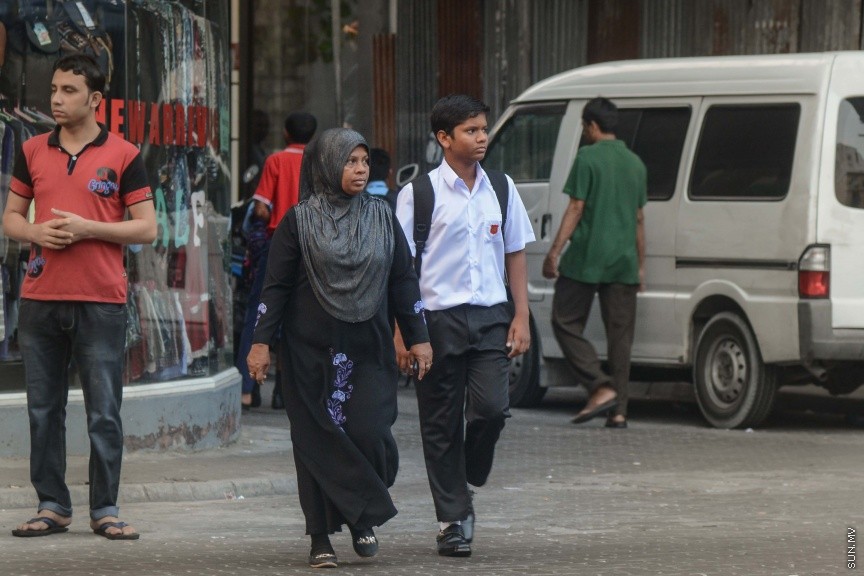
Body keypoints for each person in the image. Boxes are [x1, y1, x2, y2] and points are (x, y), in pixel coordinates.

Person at [246, 128, 432, 568]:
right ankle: (320, 537)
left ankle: (361, 511)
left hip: (369, 351)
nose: (360, 170)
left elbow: (403, 279)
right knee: (317, 441)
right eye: (350, 161)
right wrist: (260, 343)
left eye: (364, 161)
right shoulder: (298, 221)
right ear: (328, 165)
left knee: (370, 432)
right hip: (311, 353)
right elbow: (275, 287)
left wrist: (418, 335)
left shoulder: (382, 216)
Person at [2, 53, 156, 540]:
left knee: (103, 412)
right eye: (54, 89)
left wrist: (89, 228)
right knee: (42, 411)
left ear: (95, 100)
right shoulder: (31, 149)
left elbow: (147, 228)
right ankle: (52, 505)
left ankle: (105, 508)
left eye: (69, 90)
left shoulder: (125, 154)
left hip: (101, 300)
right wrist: (34, 232)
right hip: (40, 298)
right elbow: (10, 218)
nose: (56, 98)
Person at [394, 94, 535, 557]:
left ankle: (470, 470)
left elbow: (515, 252)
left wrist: (521, 315)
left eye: (483, 129)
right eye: (470, 131)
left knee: (492, 408)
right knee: (440, 424)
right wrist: (403, 332)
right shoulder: (419, 194)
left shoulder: (502, 187)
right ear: (444, 138)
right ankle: (453, 521)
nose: (481, 138)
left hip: (491, 316)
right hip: (435, 321)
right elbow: (401, 270)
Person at [542, 96, 646, 429]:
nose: (585, 133)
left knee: (564, 321)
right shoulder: (635, 164)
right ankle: (619, 411)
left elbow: (576, 207)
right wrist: (640, 265)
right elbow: (639, 218)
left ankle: (600, 386)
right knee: (621, 339)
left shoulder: (587, 157)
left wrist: (554, 251)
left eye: (585, 127)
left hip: (586, 258)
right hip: (624, 261)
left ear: (592, 125)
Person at [236, 111, 317, 410]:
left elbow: (261, 208)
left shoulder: (275, 161)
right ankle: (284, 391)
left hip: (279, 244)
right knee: (301, 316)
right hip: (313, 246)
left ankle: (247, 390)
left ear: (286, 133)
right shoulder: (319, 161)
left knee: (259, 310)